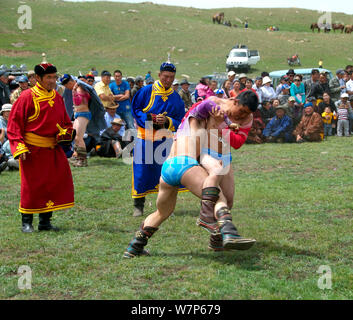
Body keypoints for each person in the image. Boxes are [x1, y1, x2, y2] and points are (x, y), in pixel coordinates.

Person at [123, 91, 258, 258]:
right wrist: (220, 121)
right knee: (219, 198)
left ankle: (134, 247)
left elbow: (207, 116)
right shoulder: (201, 119)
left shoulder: (188, 123)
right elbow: (208, 109)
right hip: (185, 166)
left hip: (168, 169)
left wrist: (222, 122)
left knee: (162, 212)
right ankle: (224, 229)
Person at [7, 62, 75, 233]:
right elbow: (14, 125)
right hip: (32, 151)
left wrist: (66, 133)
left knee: (51, 184)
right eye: (48, 78)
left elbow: (66, 122)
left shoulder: (57, 97)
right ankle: (26, 222)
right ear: (37, 78)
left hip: (52, 149)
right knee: (31, 186)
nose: (53, 81)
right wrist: (19, 147)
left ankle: (45, 222)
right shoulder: (26, 97)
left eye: (54, 77)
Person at [131, 61, 185, 217]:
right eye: (166, 76)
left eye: (171, 77)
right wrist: (151, 118)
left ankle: (166, 206)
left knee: (166, 173)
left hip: (165, 139)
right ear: (159, 74)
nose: (168, 80)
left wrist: (167, 121)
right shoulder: (146, 91)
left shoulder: (175, 97)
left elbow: (180, 119)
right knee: (142, 171)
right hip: (145, 137)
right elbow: (136, 110)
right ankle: (138, 206)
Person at [61, 74, 106, 167]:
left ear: (70, 82)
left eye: (67, 86)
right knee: (74, 136)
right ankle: (76, 156)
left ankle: (82, 160)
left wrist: (75, 90)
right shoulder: (76, 88)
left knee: (78, 137)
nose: (67, 88)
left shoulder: (80, 87)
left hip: (83, 114)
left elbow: (80, 101)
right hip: (77, 114)